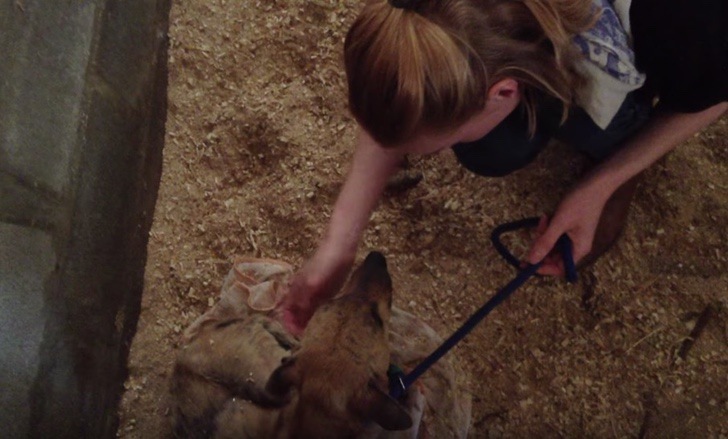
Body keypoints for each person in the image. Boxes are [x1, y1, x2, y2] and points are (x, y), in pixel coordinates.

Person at [278, 0, 728, 335]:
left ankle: (620, 147)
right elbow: (408, 70)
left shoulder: (689, 22)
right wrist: (337, 246)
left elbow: (711, 98)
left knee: (604, 132)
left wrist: (604, 183)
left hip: (666, 42)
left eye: (434, 147)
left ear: (504, 92)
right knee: (488, 151)